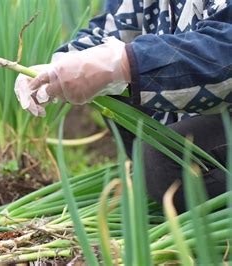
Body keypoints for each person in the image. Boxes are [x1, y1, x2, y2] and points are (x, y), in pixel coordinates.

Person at [14, 0, 231, 213]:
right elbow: (111, 28)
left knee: (163, 162)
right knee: (114, 97)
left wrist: (124, 63)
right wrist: (59, 67)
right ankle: (177, 191)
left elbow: (224, 52)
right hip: (196, 113)